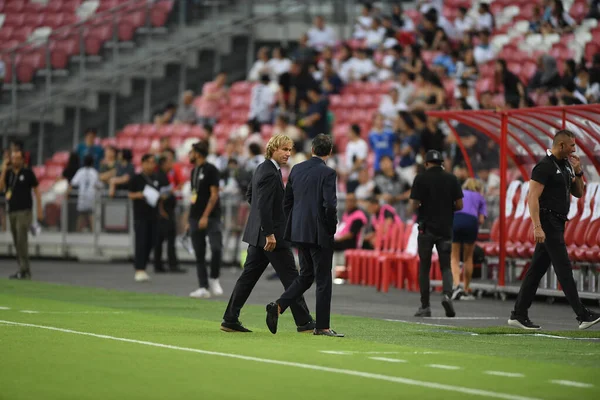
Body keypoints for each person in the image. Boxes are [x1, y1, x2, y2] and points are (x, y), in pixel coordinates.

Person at [221, 135, 315, 333]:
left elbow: (251, 197)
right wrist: (269, 232)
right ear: (273, 149)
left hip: (258, 236)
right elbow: (262, 204)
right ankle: (304, 322)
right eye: (284, 149)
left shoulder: (263, 169)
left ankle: (230, 319)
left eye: (290, 150)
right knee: (292, 277)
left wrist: (260, 226)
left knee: (247, 278)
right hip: (272, 238)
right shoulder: (270, 173)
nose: (288, 153)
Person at [509, 130, 600, 330]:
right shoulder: (544, 166)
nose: (574, 149)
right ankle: (582, 314)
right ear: (560, 146)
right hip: (547, 221)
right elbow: (532, 197)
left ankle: (518, 314)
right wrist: (537, 226)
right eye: (572, 146)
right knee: (564, 268)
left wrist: (578, 172)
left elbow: (578, 192)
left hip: (559, 222)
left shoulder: (566, 165)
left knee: (536, 270)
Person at [266, 134, 344, 337]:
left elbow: (287, 201)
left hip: (299, 231)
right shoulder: (328, 173)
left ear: (312, 149)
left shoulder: (296, 169)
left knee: (306, 275)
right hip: (319, 233)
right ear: (329, 152)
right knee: (324, 279)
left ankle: (279, 306)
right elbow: (330, 206)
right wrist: (331, 227)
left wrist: (294, 225)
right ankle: (323, 326)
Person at [409, 150, 463, 318]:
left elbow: (413, 204)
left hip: (426, 229)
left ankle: (425, 306)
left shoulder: (420, 178)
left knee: (424, 268)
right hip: (445, 229)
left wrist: (422, 206)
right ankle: (447, 294)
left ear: (426, 163)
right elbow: (460, 205)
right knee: (445, 265)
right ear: (442, 162)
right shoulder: (451, 178)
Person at [187, 142, 224, 298]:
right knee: (199, 252)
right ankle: (203, 286)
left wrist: (205, 216)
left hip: (212, 216)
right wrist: (189, 219)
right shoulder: (194, 171)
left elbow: (214, 194)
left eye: (192, 152)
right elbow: (193, 196)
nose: (189, 154)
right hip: (195, 216)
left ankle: (214, 278)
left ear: (198, 153)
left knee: (216, 248)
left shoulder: (211, 170)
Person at [0, 149, 43, 279]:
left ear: (22, 160)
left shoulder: (28, 173)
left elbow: (37, 190)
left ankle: (25, 269)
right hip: (12, 211)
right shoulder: (8, 174)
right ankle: (22, 269)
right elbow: (1, 188)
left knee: (21, 239)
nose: (15, 161)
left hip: (24, 211)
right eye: (13, 158)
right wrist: (3, 170)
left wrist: (39, 209)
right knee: (16, 240)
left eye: (17, 158)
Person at [450, 178, 487, 301]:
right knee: (468, 257)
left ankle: (456, 286)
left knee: (454, 256)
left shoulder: (459, 193)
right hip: (471, 222)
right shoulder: (480, 197)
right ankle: (466, 289)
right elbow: (481, 219)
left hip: (456, 219)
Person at [128, 154, 160, 282]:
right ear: (143, 163)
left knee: (152, 241)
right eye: (150, 162)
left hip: (154, 214)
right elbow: (130, 194)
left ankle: (143, 266)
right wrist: (139, 195)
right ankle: (139, 269)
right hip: (140, 215)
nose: (152, 165)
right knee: (141, 242)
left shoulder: (155, 177)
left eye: (153, 162)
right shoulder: (136, 178)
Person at [154, 155, 186, 274]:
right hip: (165, 212)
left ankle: (163, 264)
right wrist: (162, 210)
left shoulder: (166, 176)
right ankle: (167, 264)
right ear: (163, 164)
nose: (171, 164)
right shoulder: (160, 177)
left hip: (168, 211)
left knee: (165, 238)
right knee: (165, 238)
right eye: (169, 162)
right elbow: (159, 196)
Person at [69, 155, 102, 232]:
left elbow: (73, 183)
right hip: (91, 196)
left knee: (81, 215)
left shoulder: (80, 171)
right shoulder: (94, 172)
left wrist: (68, 193)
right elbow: (98, 184)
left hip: (82, 196)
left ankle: (78, 231)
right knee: (91, 215)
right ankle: (93, 233)